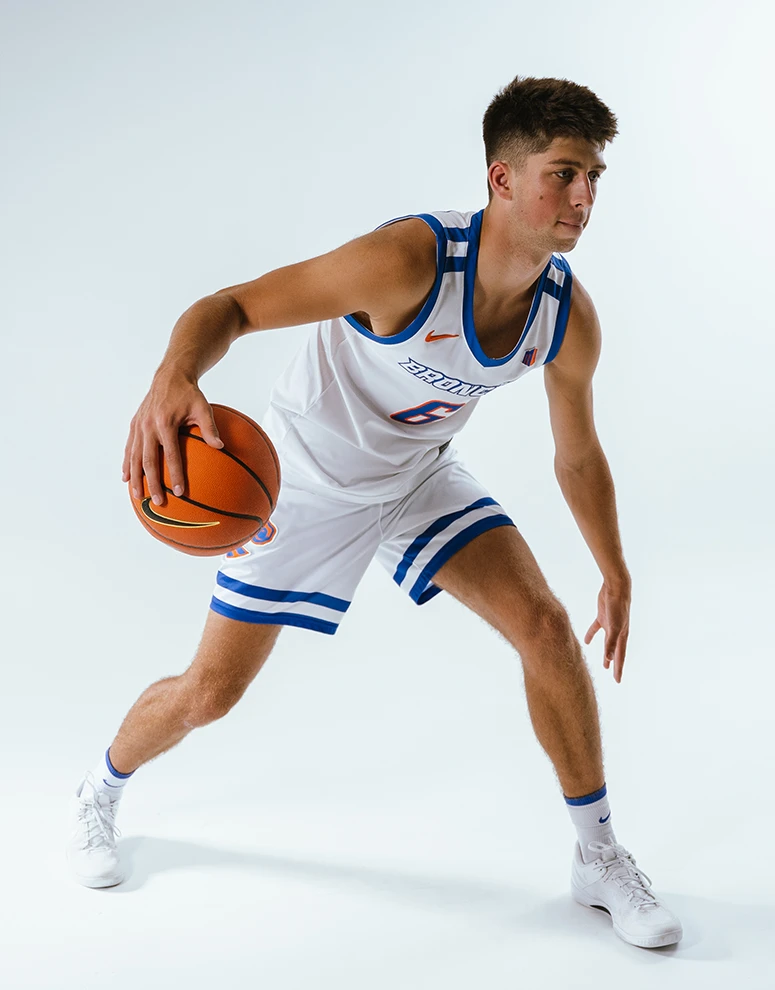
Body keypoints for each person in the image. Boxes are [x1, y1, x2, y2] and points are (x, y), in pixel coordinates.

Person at [67, 75, 682, 948]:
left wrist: (614, 570)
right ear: (502, 180)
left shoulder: (564, 314)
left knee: (544, 627)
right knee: (210, 693)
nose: (582, 197)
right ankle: (101, 789)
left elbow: (576, 453)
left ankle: (598, 856)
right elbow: (232, 306)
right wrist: (174, 377)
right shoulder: (406, 263)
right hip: (304, 486)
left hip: (418, 477)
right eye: (563, 172)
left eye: (593, 176)